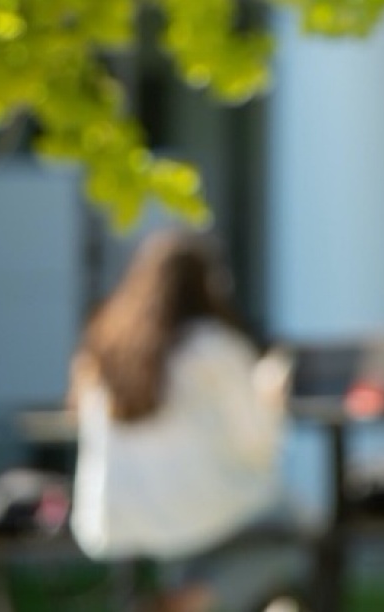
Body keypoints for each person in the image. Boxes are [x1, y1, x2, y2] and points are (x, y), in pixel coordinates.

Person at [68, 230, 299, 612]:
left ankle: (183, 596)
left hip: (116, 514)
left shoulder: (104, 346)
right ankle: (190, 602)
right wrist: (270, 400)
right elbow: (260, 445)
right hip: (203, 511)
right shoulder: (214, 346)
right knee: (298, 532)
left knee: (201, 542)